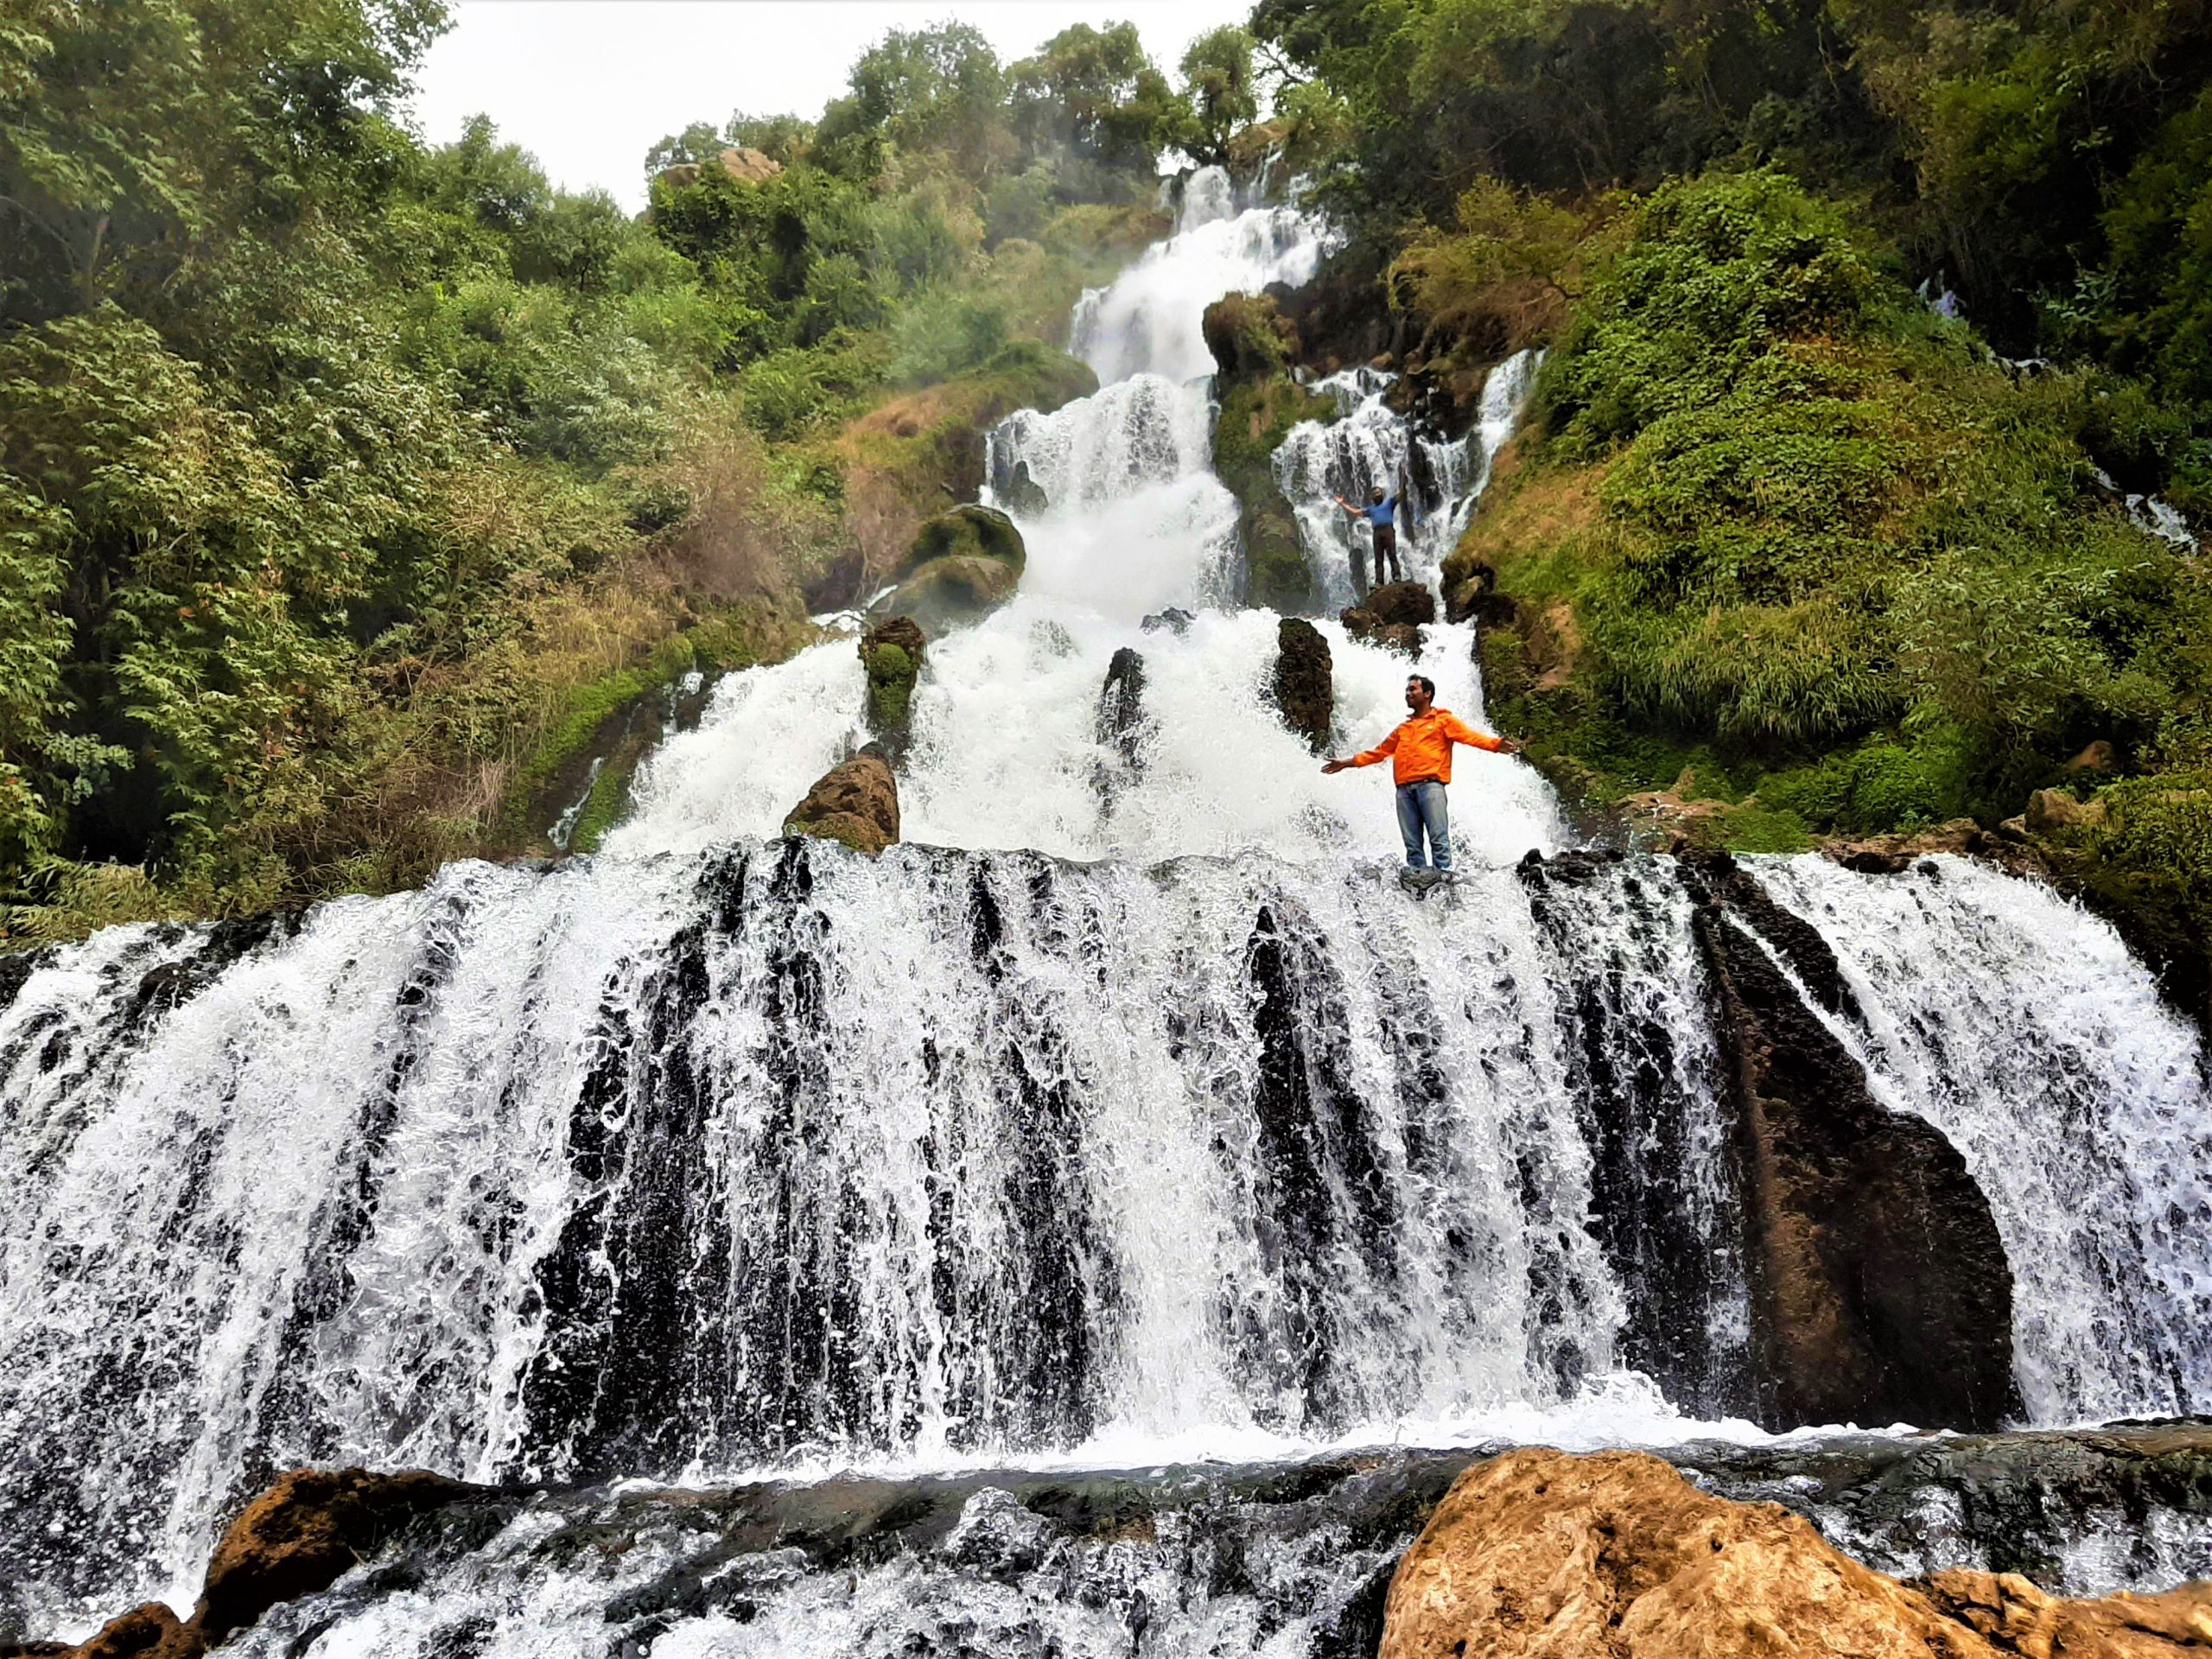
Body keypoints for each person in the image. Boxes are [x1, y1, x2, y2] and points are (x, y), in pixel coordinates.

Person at [1322, 674, 1522, 880]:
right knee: (1412, 843)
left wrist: (1495, 745)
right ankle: (1418, 881)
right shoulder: (1404, 729)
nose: (1408, 694)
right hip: (1404, 791)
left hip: (1431, 787)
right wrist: (1346, 763)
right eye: (1407, 690)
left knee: (1438, 838)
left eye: (1413, 690)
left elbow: (1470, 736)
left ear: (1427, 694)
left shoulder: (1443, 721)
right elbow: (1379, 753)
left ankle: (1445, 880)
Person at [1333, 482, 1406, 594]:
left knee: (1392, 554)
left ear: (1382, 494)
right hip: (1377, 532)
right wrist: (1342, 503)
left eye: (1379, 492)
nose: (1377, 494)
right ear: (1372, 497)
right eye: (1375, 493)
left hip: (1388, 530)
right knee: (1378, 558)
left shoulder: (1389, 503)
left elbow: (1401, 494)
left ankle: (1397, 576)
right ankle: (1379, 582)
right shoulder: (1371, 510)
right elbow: (1355, 512)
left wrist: (1404, 479)